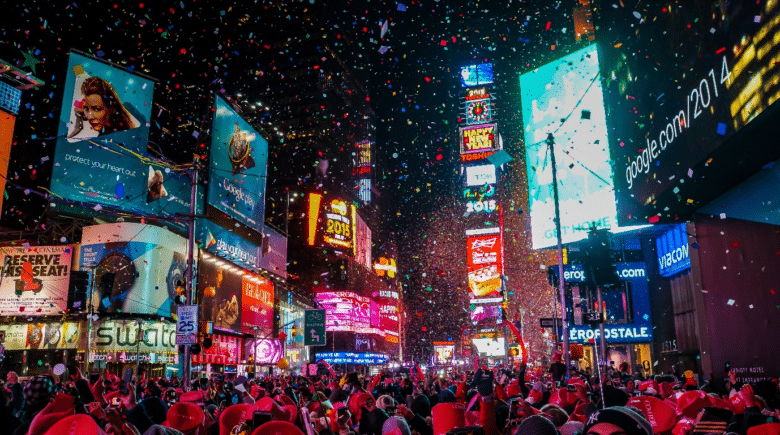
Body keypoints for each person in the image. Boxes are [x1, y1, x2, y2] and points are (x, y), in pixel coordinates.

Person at [68, 76, 139, 140]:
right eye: (86, 109)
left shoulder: (114, 139)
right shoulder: (113, 134)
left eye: (97, 109)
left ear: (112, 109)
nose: (89, 117)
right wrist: (78, 120)